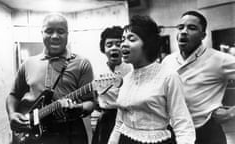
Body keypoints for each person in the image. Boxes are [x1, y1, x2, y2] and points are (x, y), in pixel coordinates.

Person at [6, 13, 95, 144]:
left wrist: (79, 108)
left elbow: (90, 102)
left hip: (69, 132)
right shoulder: (28, 63)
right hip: (32, 131)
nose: (55, 36)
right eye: (49, 31)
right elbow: (13, 95)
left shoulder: (82, 63)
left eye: (61, 31)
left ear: (67, 34)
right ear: (41, 33)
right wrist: (12, 115)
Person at [108, 15, 195, 144]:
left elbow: (182, 123)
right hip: (125, 140)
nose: (123, 44)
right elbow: (119, 123)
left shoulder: (168, 76)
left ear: (147, 44)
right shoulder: (125, 80)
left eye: (131, 39)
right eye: (123, 40)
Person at [162, 10, 235, 144]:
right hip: (174, 132)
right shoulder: (168, 60)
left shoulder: (219, 59)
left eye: (192, 28)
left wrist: (231, 113)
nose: (184, 31)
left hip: (206, 132)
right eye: (181, 27)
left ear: (203, 35)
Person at [91, 26, 131, 144]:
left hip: (127, 119)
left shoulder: (131, 69)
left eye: (118, 44)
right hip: (105, 120)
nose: (114, 48)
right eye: (109, 45)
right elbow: (94, 97)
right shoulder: (97, 71)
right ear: (103, 48)